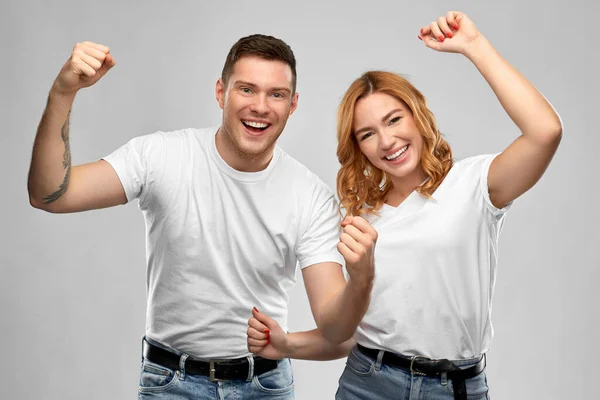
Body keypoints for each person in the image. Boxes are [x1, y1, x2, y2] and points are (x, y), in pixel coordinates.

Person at [27, 34, 378, 399]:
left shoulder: (311, 196)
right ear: (220, 92)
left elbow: (336, 331)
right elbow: (51, 194)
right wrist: (63, 93)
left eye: (276, 94)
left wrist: (363, 275)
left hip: (265, 386)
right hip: (170, 382)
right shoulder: (161, 156)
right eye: (246, 89)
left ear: (292, 105)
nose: (260, 106)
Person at [246, 11, 562, 400]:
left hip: (456, 388)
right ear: (358, 148)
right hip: (368, 383)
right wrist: (288, 344)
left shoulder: (475, 185)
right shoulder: (361, 219)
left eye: (394, 119)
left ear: (417, 115)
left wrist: (474, 47)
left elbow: (545, 132)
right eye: (368, 134)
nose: (387, 140)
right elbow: (351, 333)